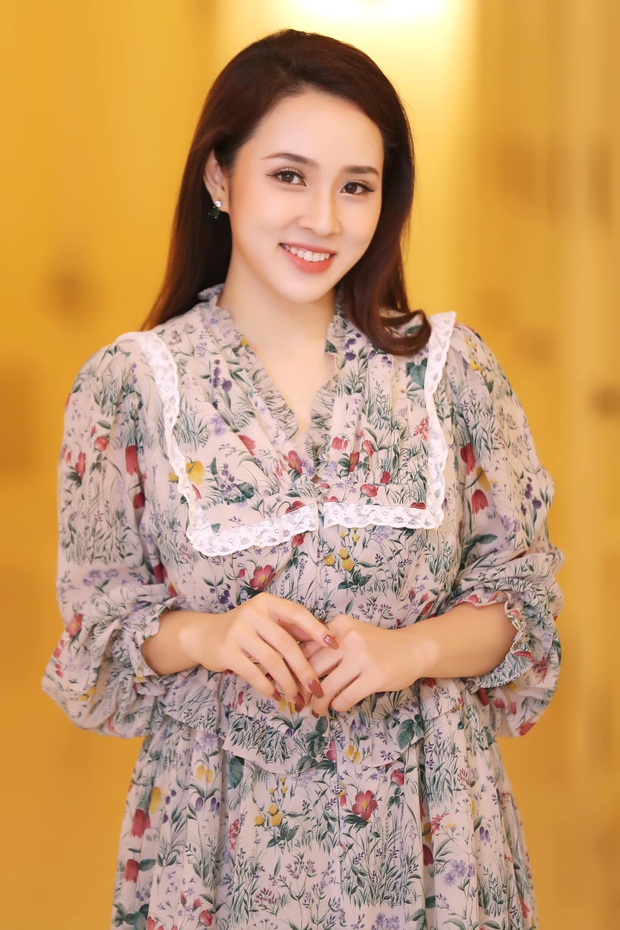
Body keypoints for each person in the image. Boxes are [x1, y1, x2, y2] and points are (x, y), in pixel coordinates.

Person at [43, 28, 564, 930]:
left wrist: (411, 651)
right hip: (215, 847)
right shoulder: (130, 387)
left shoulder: (450, 372)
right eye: (289, 175)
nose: (323, 219)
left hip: (434, 844)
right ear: (220, 178)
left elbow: (523, 607)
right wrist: (208, 635)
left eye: (356, 186)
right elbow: (97, 636)